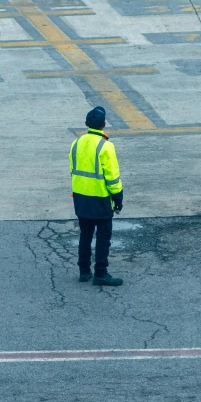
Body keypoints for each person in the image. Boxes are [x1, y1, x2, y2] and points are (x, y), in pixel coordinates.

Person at [69, 106, 124, 286]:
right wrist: (118, 199)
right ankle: (100, 273)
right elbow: (113, 177)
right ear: (104, 125)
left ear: (86, 124)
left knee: (85, 235)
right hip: (100, 199)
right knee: (103, 237)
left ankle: (84, 271)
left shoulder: (76, 143)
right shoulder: (105, 146)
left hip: (80, 199)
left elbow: (73, 170)